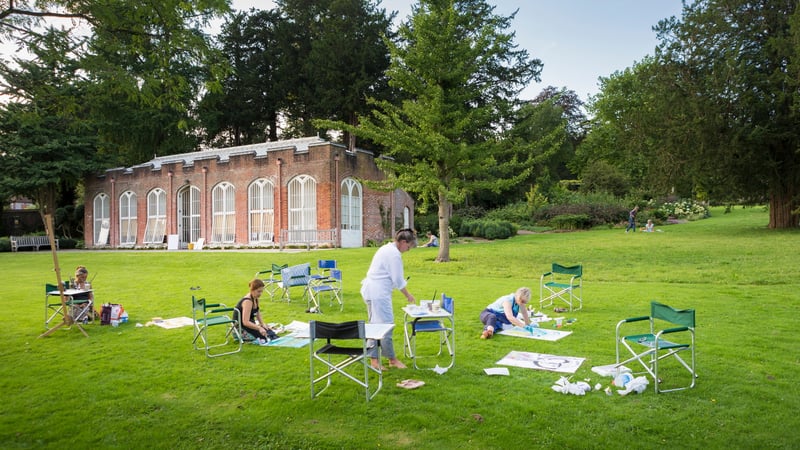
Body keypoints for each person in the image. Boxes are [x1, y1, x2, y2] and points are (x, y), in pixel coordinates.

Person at [361, 228, 417, 370]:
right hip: (378, 293)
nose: (408, 250)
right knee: (386, 326)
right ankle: (391, 359)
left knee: (375, 325)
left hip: (372, 291)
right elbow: (398, 280)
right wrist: (408, 295)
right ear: (403, 242)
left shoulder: (386, 248)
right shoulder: (394, 255)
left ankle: (375, 360)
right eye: (409, 247)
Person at [234, 279, 278, 345]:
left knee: (270, 333)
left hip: (250, 325)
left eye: (261, 291)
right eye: (258, 291)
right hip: (241, 328)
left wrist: (263, 324)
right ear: (252, 290)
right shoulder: (247, 301)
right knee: (263, 337)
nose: (260, 294)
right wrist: (259, 328)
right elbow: (245, 322)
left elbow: (258, 313)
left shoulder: (255, 298)